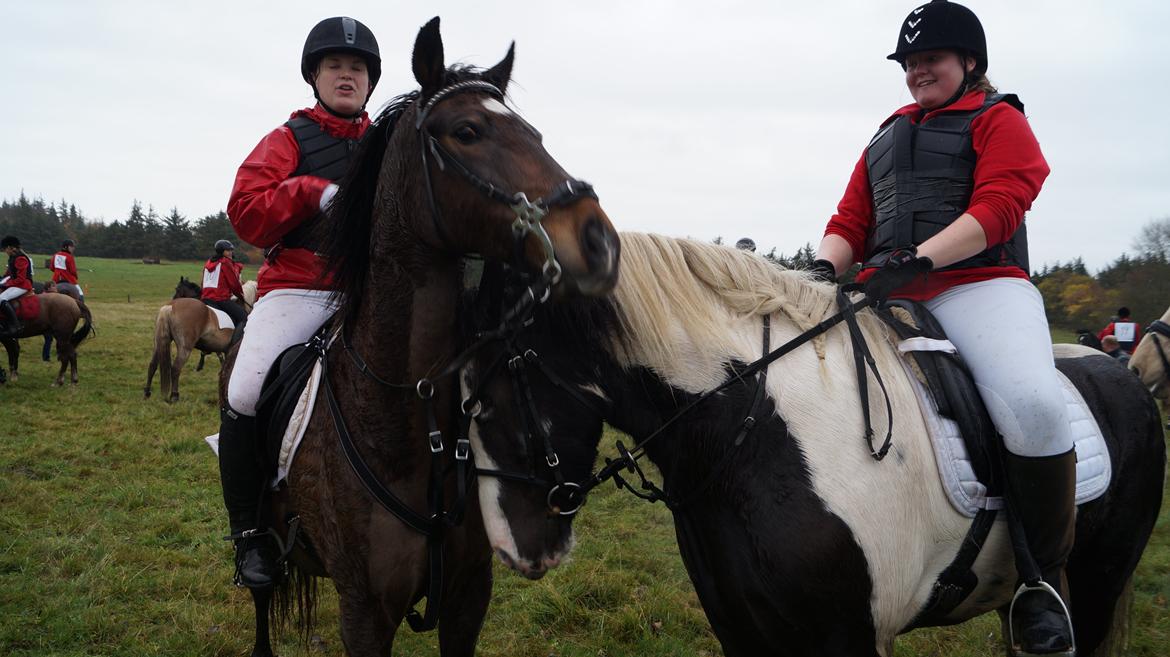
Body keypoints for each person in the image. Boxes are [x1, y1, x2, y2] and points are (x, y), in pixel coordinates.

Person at [809, 2, 1074, 653]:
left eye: (930, 60)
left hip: (982, 290)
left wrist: (920, 257)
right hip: (889, 294)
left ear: (969, 63)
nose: (917, 72)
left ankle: (1039, 584)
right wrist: (819, 269)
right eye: (910, 63)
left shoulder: (999, 120)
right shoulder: (885, 134)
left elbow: (1000, 205)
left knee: (1036, 406)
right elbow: (850, 221)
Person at [216, 16, 379, 589]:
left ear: (369, 81)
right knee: (242, 390)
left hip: (370, 294)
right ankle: (251, 535)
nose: (346, 74)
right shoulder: (287, 139)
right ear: (315, 76)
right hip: (298, 289)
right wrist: (310, 192)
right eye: (335, 65)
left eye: (356, 68)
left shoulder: (385, 143)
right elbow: (246, 210)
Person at [200, 239, 248, 345]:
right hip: (220, 299)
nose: (231, 252)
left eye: (231, 250)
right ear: (222, 251)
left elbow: (202, 282)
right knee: (244, 317)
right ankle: (234, 345)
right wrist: (240, 296)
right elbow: (234, 283)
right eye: (228, 250)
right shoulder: (225, 263)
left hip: (205, 298)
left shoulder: (208, 262)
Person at [1, 235, 34, 337]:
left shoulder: (20, 258)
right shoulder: (13, 257)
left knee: (1, 299)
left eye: (5, 249)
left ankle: (16, 325)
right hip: (17, 284)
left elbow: (21, 279)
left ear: (11, 248)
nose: (5, 251)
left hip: (23, 285)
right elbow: (11, 275)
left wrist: (7, 284)